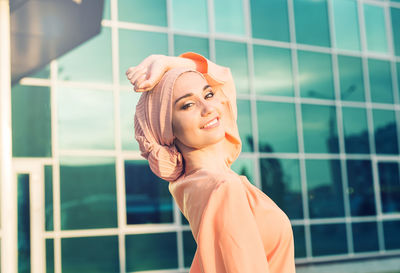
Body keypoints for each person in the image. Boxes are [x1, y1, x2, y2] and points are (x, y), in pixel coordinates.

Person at [126, 52, 296, 273]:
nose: (209, 109)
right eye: (187, 105)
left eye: (208, 95)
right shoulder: (223, 188)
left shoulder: (195, 182)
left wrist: (167, 63)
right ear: (166, 129)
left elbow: (222, 78)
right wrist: (170, 64)